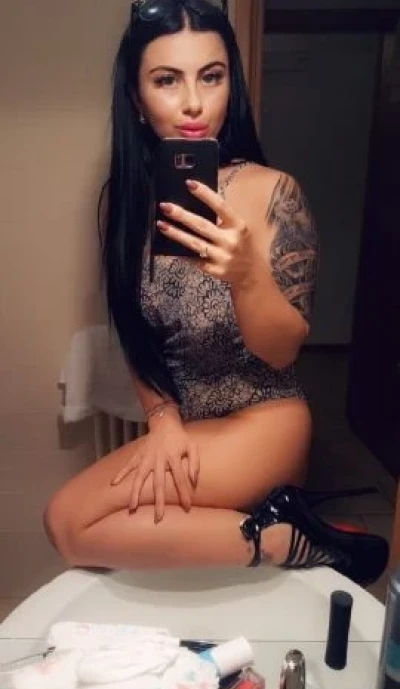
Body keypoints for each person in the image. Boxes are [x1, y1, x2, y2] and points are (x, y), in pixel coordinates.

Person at [44, 0, 388, 585]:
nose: (194, 103)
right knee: (76, 528)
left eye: (211, 76)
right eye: (166, 80)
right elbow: (135, 331)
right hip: (186, 430)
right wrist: (163, 421)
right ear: (136, 98)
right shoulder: (123, 203)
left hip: (264, 421)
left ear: (233, 83)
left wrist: (247, 275)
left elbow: (282, 351)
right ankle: (283, 533)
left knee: (69, 521)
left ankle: (286, 537)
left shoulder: (271, 191)